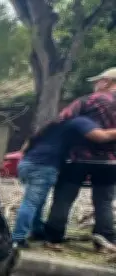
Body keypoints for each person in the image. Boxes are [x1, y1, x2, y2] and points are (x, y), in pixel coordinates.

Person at [12, 117, 116, 248]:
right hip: (44, 166)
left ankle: (37, 230)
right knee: (31, 202)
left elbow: (28, 143)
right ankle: (18, 237)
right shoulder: (79, 120)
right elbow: (100, 136)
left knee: (37, 201)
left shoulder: (53, 124)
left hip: (27, 163)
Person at [41, 68, 116, 250]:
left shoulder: (86, 101)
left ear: (106, 82)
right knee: (104, 200)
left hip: (77, 158)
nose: (94, 84)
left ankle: (54, 235)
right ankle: (104, 238)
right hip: (109, 161)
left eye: (97, 81)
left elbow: (61, 119)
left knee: (64, 197)